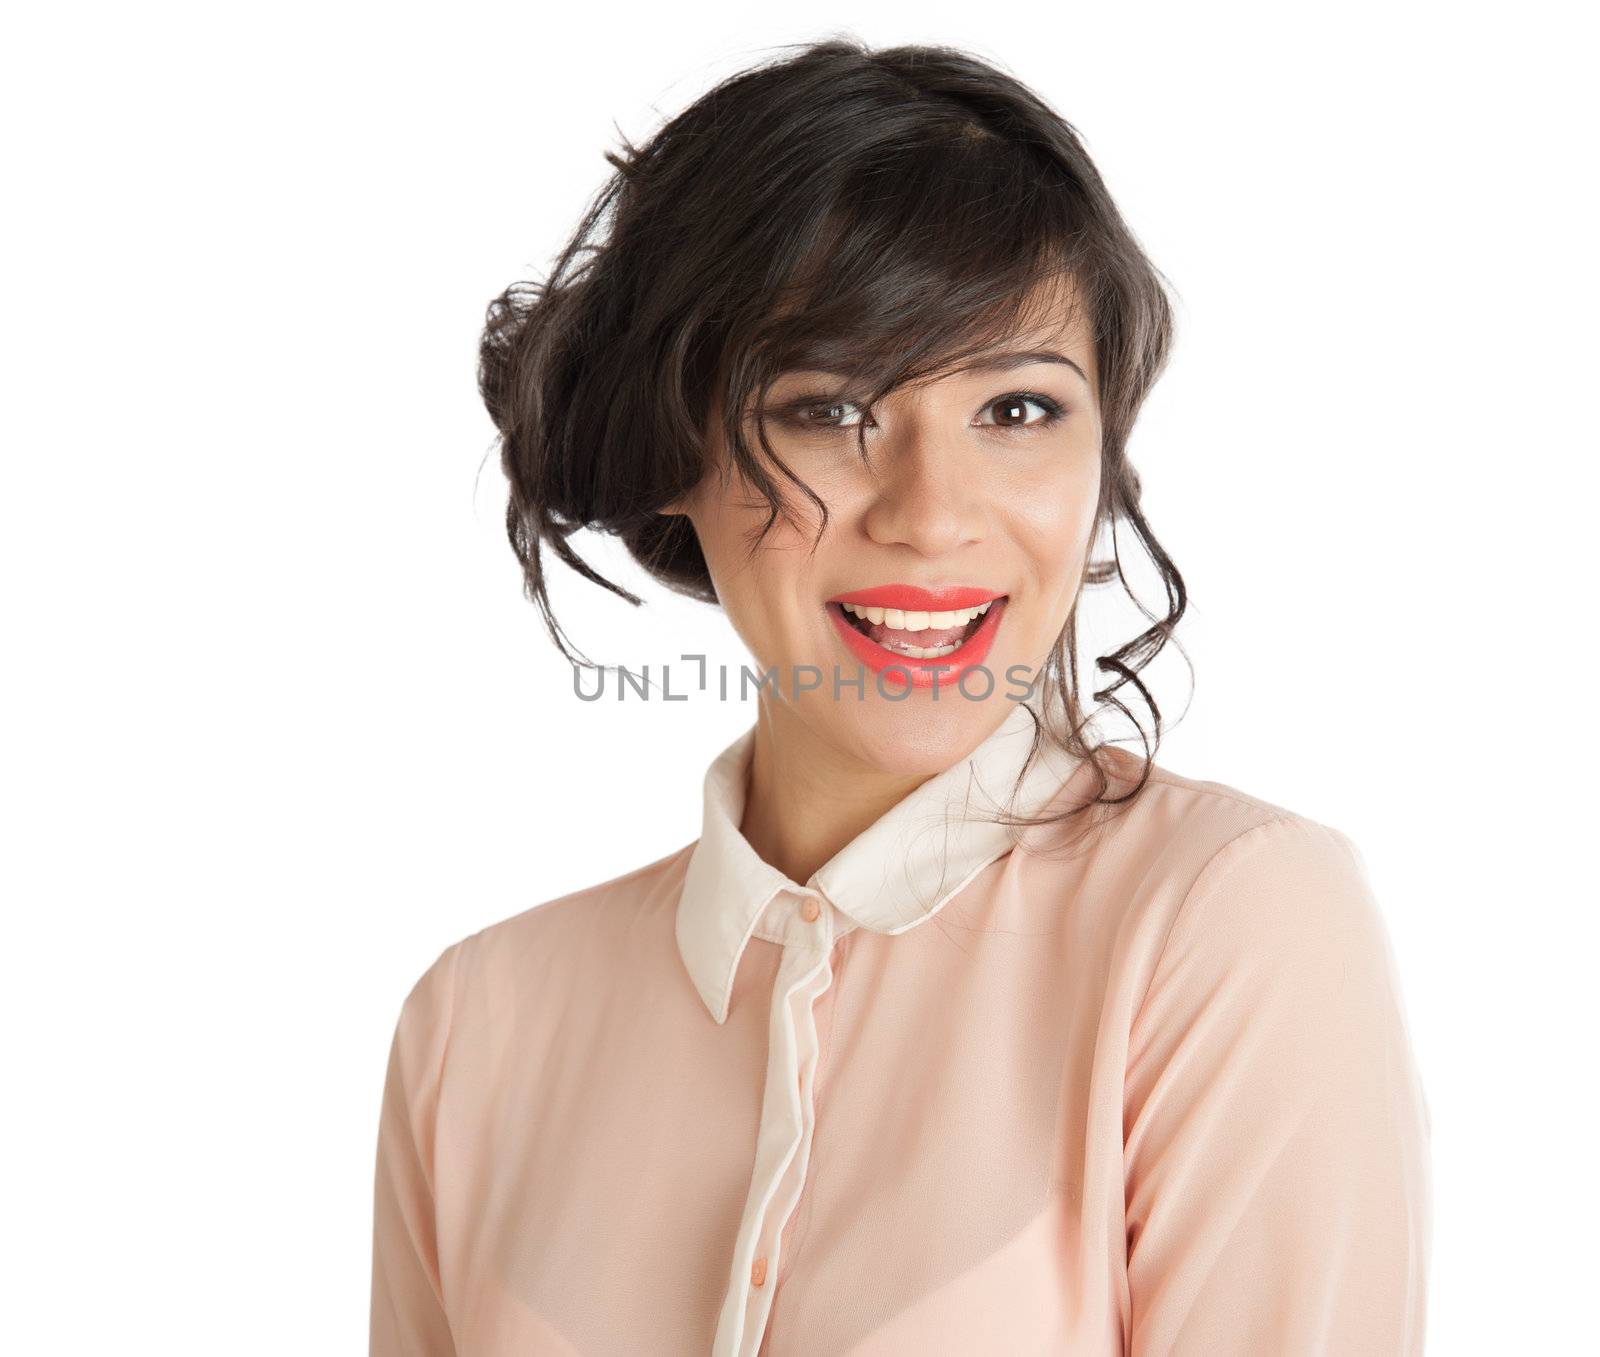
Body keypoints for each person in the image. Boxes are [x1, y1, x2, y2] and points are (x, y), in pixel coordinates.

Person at [369, 37, 1431, 1357]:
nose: (932, 517)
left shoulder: (1227, 926)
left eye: (1020, 411)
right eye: (830, 407)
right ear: (672, 449)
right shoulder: (477, 1027)